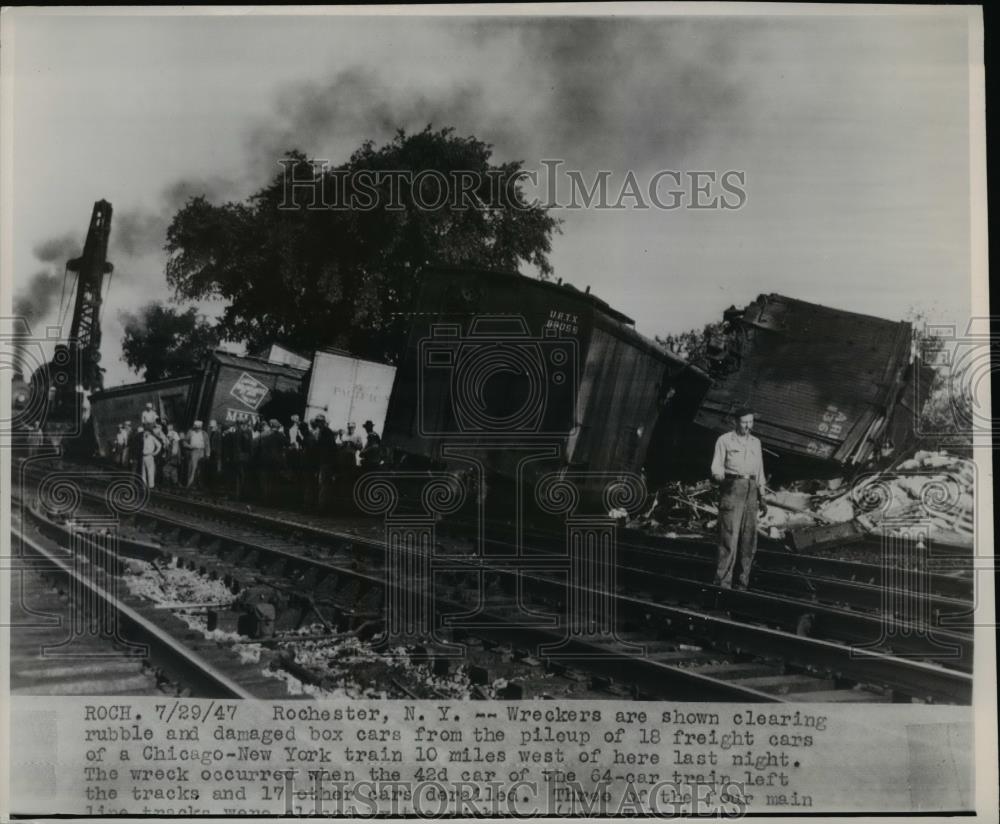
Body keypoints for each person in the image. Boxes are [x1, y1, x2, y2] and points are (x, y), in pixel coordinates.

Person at [710, 407, 766, 591]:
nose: (748, 426)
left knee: (749, 540)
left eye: (751, 422)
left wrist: (762, 497)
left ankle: (742, 585)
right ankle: (722, 586)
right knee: (729, 538)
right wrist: (723, 481)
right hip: (732, 487)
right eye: (744, 422)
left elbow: (759, 472)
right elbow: (716, 467)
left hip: (751, 490)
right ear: (735, 422)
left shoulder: (756, 443)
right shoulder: (724, 440)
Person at [183, 420, 207, 488]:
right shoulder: (190, 432)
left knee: (198, 469)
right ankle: (190, 484)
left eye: (198, 427)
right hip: (194, 451)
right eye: (196, 427)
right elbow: (184, 442)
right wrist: (189, 446)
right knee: (193, 467)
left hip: (201, 451)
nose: (197, 429)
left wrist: (207, 453)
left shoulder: (204, 433)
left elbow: (207, 444)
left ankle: (195, 484)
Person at [141, 423, 162, 489]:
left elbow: (159, 445)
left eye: (147, 431)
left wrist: (155, 453)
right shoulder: (144, 438)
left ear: (149, 432)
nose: (145, 432)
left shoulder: (152, 437)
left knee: (150, 471)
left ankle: (151, 485)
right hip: (143, 456)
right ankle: (144, 484)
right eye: (145, 431)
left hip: (149, 456)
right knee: (143, 472)